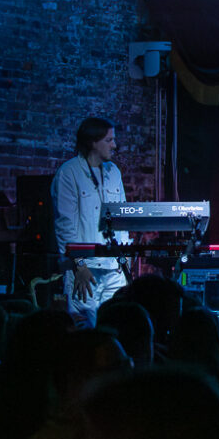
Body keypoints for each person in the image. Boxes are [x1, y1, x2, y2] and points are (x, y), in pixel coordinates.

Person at [52, 116, 130, 327]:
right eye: (109, 140)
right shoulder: (69, 173)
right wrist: (80, 265)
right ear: (93, 142)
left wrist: (124, 260)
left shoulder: (114, 172)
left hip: (113, 268)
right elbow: (64, 226)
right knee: (86, 332)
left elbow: (121, 216)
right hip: (85, 270)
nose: (115, 145)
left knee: (116, 328)